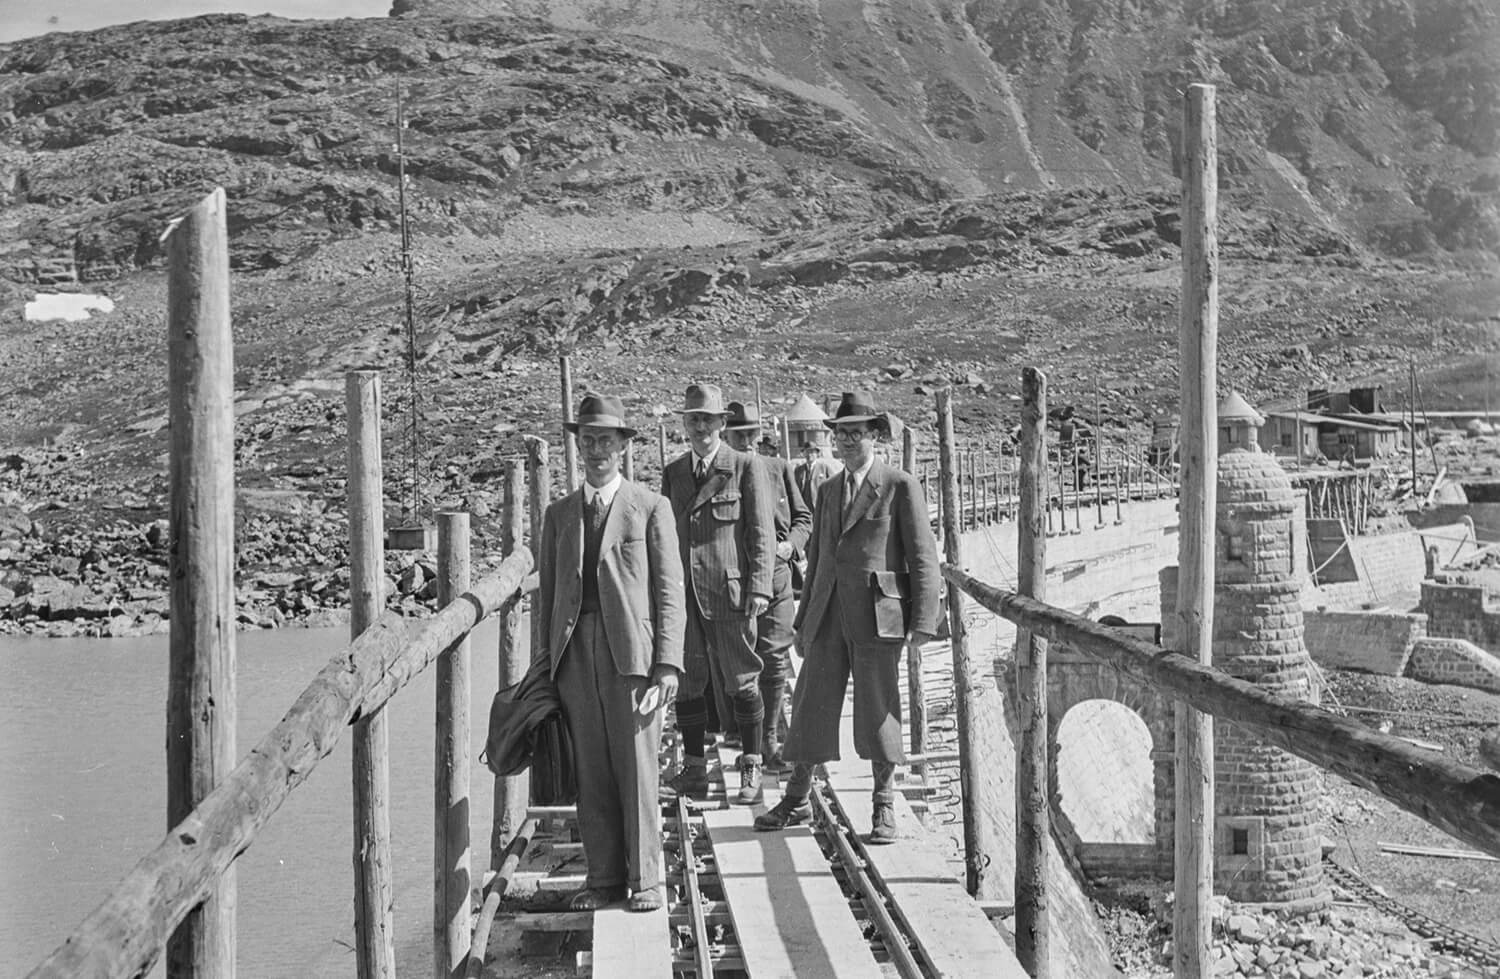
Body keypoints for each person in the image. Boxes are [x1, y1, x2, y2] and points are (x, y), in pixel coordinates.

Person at [754, 391, 940, 845]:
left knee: (879, 707)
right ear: (833, 439)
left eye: (857, 433)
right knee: (812, 702)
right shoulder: (827, 490)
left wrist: (922, 622)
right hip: (828, 615)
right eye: (841, 434)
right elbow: (817, 558)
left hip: (879, 616)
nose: (849, 441)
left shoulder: (898, 486)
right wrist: (804, 622)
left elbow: (923, 557)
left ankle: (883, 804)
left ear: (873, 436)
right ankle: (797, 796)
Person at [535, 392, 686, 911]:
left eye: (606, 440)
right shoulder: (558, 515)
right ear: (578, 447)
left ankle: (646, 881)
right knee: (592, 770)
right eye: (588, 440)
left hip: (633, 661)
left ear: (623, 447)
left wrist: (667, 662)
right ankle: (603, 882)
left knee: (638, 768)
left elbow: (669, 589)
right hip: (575, 659)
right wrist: (544, 670)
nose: (597, 449)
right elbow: (549, 599)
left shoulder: (650, 507)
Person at [660, 383, 777, 805]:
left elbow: (761, 533)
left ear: (721, 425)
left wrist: (760, 587)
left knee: (742, 678)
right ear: (685, 425)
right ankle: (695, 769)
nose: (701, 428)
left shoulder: (744, 466)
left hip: (730, 593)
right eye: (693, 420)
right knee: (689, 683)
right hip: (684, 596)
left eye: (708, 420)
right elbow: (665, 536)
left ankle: (751, 764)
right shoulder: (673, 472)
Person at [723, 400, 811, 773]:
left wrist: (792, 544)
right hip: (733, 580)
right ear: (725, 435)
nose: (745, 441)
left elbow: (803, 517)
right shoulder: (719, 473)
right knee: (741, 661)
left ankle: (770, 740)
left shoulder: (777, 469)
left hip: (776, 579)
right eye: (737, 434)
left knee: (775, 658)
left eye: (750, 434)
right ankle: (744, 736)